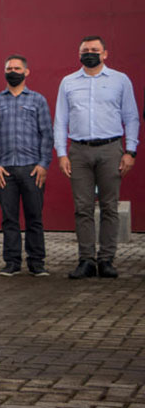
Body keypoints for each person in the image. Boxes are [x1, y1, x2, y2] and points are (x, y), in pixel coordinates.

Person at [54, 36, 138, 279]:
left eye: (95, 50)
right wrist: (61, 153)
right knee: (83, 208)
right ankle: (87, 259)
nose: (90, 53)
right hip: (79, 151)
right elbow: (61, 119)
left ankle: (107, 260)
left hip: (111, 149)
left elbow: (131, 117)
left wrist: (130, 151)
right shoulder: (68, 82)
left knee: (110, 207)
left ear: (105, 54)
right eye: (85, 50)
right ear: (78, 54)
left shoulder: (120, 81)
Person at [0, 55, 52, 277]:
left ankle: (36, 262)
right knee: (9, 218)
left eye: (17, 68)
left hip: (32, 169)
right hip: (5, 171)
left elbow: (47, 135)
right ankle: (11, 262)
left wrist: (43, 164)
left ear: (26, 72)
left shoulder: (38, 100)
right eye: (9, 68)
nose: (13, 71)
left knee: (34, 217)